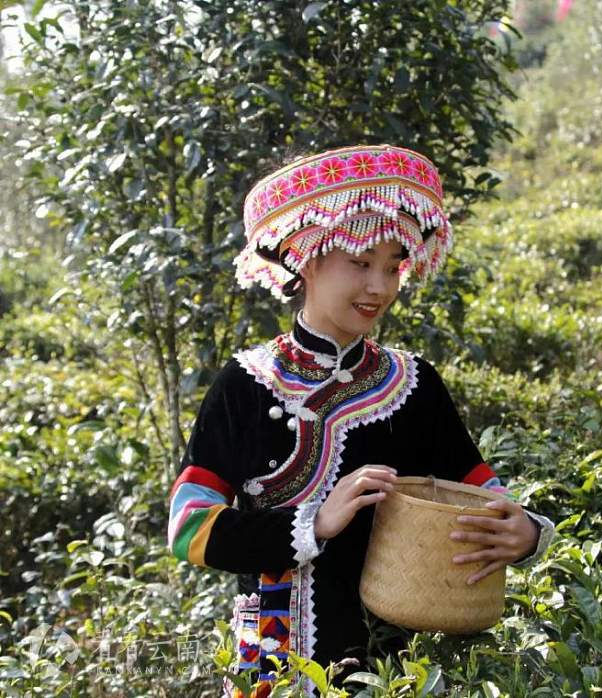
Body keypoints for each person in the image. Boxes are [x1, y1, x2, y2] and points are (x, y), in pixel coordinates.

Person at [166, 145, 555, 696]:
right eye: (359, 262)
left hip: (397, 667)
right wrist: (313, 523)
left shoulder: (414, 386)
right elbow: (187, 529)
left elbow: (483, 494)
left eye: (393, 266)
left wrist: (527, 531)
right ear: (306, 259)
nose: (379, 287)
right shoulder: (246, 385)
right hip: (271, 665)